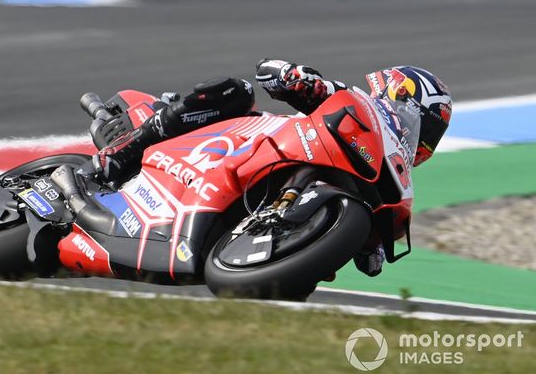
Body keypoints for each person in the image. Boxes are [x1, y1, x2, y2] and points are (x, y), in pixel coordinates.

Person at [90, 59, 452, 277]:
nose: (419, 139)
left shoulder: (384, 167)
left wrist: (365, 241)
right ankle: (126, 150)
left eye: (428, 137)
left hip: (254, 213)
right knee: (235, 91)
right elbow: (274, 71)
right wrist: (293, 75)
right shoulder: (351, 102)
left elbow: (369, 263)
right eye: (421, 124)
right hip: (245, 140)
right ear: (397, 95)